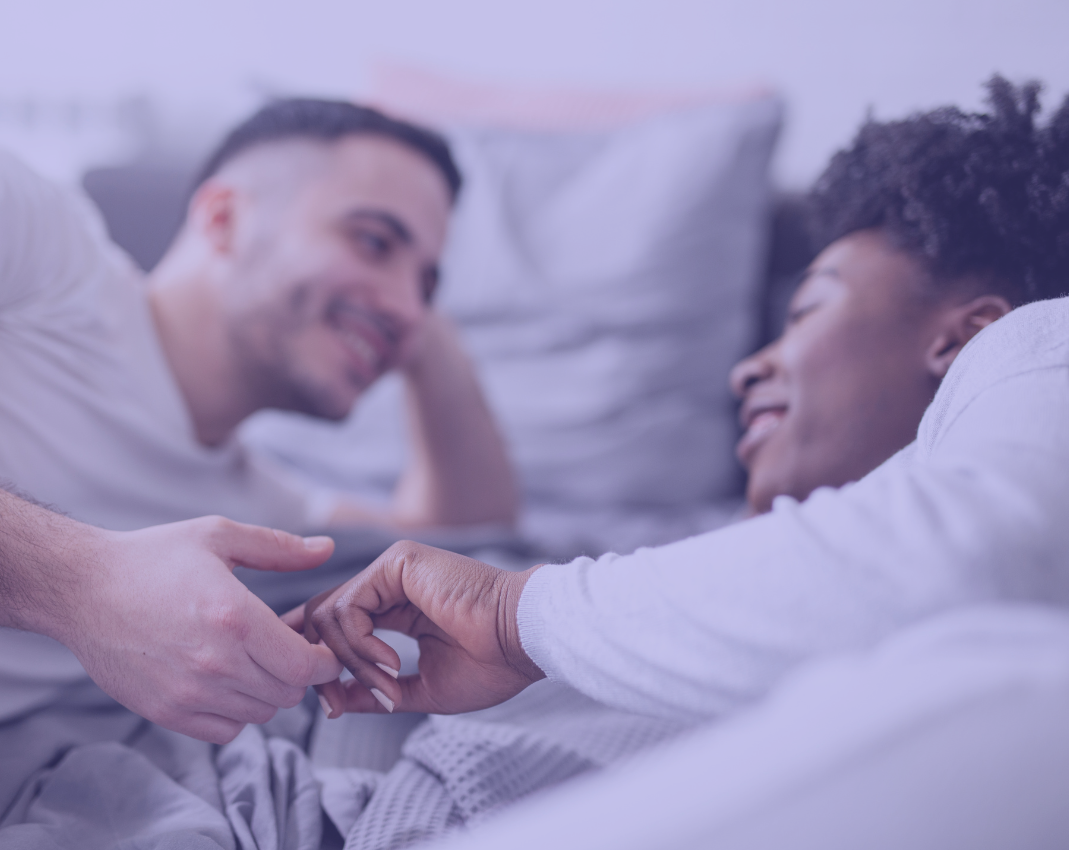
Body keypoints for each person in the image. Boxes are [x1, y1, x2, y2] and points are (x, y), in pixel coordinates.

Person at [293, 76, 1069, 845]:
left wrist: (515, 616)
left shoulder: (1043, 342)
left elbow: (974, 560)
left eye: (806, 311)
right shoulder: (692, 601)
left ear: (968, 338)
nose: (748, 369)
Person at [0, 98, 517, 789]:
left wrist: (428, 336)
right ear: (224, 218)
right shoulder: (16, 226)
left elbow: (462, 539)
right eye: (374, 241)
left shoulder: (255, 511)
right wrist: (81, 583)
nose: (406, 304)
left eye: (427, 283)